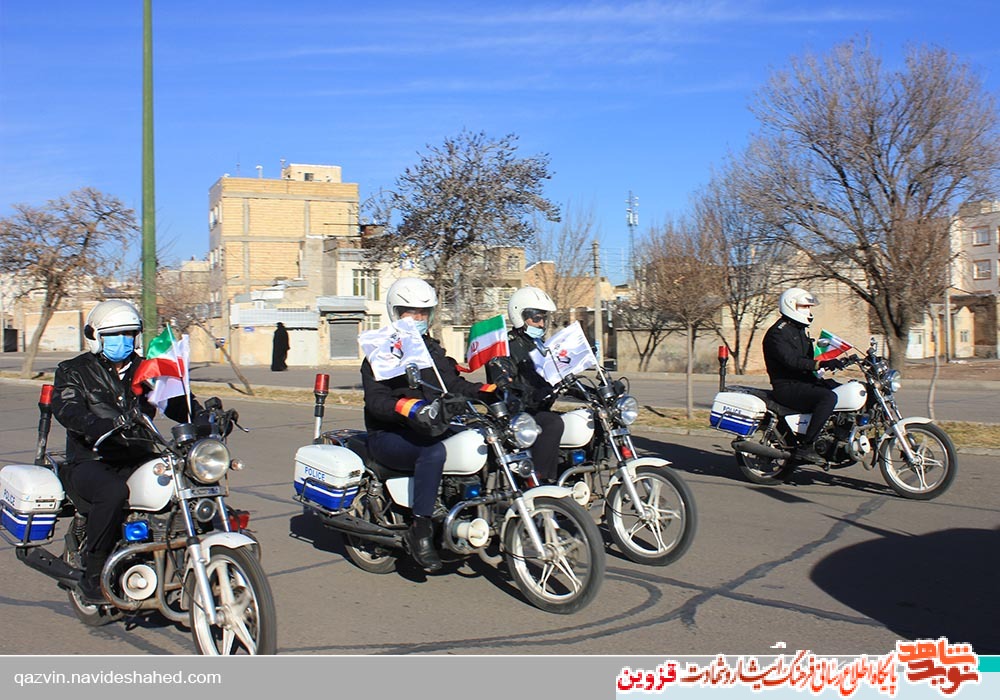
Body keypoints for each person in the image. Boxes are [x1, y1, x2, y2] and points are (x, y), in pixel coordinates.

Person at [51, 300, 197, 604]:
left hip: (139, 456)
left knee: (187, 481)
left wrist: (203, 414)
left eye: (129, 334)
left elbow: (174, 402)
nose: (123, 340)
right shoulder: (73, 371)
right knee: (112, 492)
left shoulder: (147, 369)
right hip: (92, 459)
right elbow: (67, 408)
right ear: (95, 336)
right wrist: (95, 424)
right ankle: (93, 573)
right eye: (115, 335)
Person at [360, 278, 497, 572]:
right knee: (432, 452)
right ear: (396, 313)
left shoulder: (432, 351)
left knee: (485, 439)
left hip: (432, 427)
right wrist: (410, 408)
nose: (417, 318)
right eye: (410, 312)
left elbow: (453, 384)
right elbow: (376, 401)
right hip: (390, 434)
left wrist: (490, 392)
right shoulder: (381, 352)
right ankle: (420, 530)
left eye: (423, 312)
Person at [761, 287, 846, 475]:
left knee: (842, 390)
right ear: (791, 306)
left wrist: (833, 362)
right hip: (787, 386)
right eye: (804, 307)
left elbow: (807, 359)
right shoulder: (777, 334)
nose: (808, 311)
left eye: (809, 307)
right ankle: (807, 446)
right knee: (828, 398)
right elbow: (792, 361)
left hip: (804, 382)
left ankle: (839, 436)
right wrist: (819, 364)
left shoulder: (799, 330)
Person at [487, 286, 564, 483]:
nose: (541, 324)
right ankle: (538, 481)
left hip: (537, 409)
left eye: (543, 319)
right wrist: (534, 394)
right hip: (517, 414)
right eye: (536, 318)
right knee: (553, 423)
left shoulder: (541, 346)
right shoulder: (506, 347)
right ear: (520, 316)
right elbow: (504, 385)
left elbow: (556, 374)